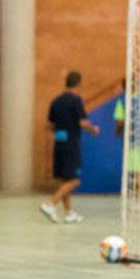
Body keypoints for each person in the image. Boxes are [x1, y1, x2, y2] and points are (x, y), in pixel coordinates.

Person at [40, 70, 99, 224]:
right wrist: (94, 130)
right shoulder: (76, 100)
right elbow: (83, 122)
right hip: (71, 144)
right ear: (79, 84)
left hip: (59, 142)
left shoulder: (56, 101)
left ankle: (69, 213)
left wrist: (61, 131)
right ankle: (50, 204)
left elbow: (50, 125)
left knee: (64, 179)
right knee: (74, 180)